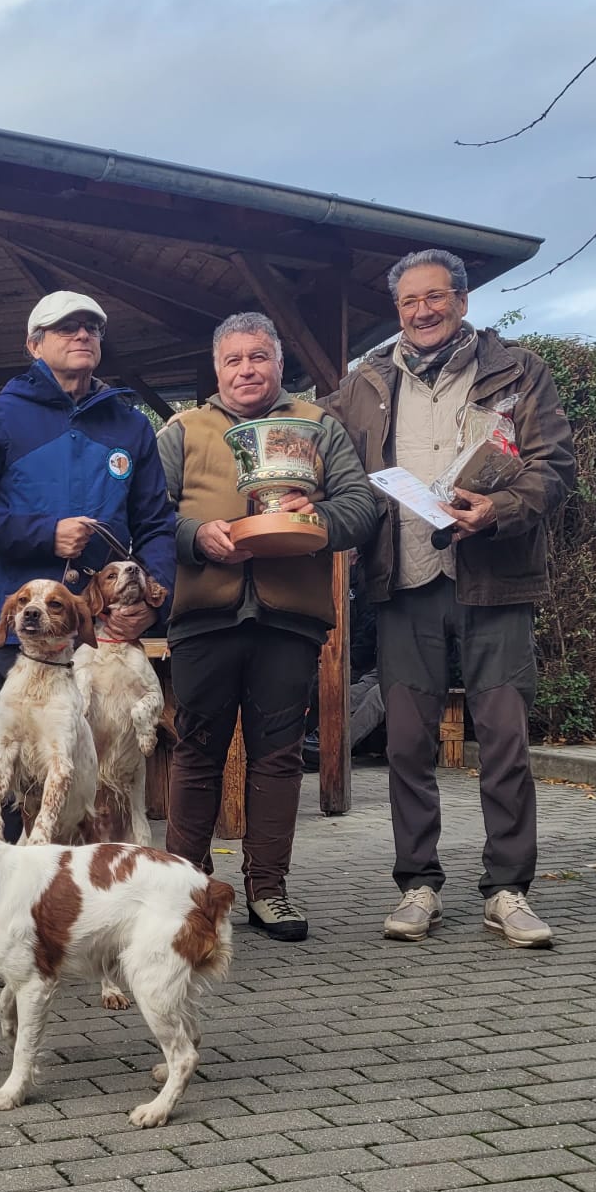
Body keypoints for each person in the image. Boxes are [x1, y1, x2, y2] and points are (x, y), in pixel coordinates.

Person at [321, 248, 575, 947]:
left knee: (504, 743)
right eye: (409, 302)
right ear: (396, 310)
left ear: (462, 302)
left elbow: (555, 469)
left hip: (494, 581)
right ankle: (418, 885)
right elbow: (321, 453)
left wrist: (496, 507)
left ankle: (508, 889)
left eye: (436, 298)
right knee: (406, 745)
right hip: (403, 581)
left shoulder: (520, 371)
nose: (423, 311)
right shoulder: (363, 383)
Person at [157, 312, 377, 941]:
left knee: (278, 758)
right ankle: (184, 890)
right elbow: (147, 513)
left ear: (280, 363)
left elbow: (361, 508)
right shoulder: (184, 430)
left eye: (259, 357)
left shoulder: (317, 426)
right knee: (196, 753)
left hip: (290, 619)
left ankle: (268, 890)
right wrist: (197, 537)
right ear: (216, 367)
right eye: (234, 360)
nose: (247, 370)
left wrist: (319, 518)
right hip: (204, 615)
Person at [0, 290, 177, 837]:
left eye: (92, 327)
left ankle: (97, 907)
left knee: (112, 781)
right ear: (34, 343)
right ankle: (23, 907)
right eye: (67, 327)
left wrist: (153, 596)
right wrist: (44, 533)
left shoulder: (130, 425)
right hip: (29, 637)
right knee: (28, 787)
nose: (83, 336)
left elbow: (157, 525)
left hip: (107, 636)